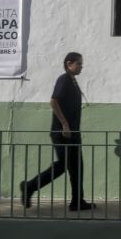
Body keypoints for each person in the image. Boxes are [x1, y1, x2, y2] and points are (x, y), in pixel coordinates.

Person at [20, 52, 95, 211]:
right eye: (79, 64)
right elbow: (54, 101)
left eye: (81, 64)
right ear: (69, 63)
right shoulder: (64, 79)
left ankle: (77, 201)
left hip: (73, 134)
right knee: (63, 165)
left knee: (77, 167)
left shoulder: (73, 81)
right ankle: (29, 186)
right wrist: (64, 124)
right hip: (63, 133)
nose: (81, 67)